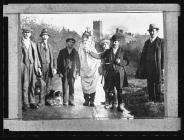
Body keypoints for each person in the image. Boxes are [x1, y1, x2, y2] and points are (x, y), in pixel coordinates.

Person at [84, 34, 129, 112]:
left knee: (119, 90)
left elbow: (127, 61)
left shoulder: (122, 51)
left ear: (118, 42)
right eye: (113, 42)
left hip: (119, 73)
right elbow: (99, 56)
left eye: (115, 42)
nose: (114, 43)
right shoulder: (108, 51)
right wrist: (89, 52)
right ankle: (111, 103)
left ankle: (120, 105)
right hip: (110, 73)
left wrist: (121, 62)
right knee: (110, 90)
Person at [136, 24, 165, 103]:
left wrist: (163, 67)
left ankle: (159, 100)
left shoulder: (161, 41)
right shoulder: (147, 43)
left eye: (153, 31)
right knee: (150, 83)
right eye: (150, 31)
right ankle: (151, 99)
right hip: (148, 66)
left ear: (156, 31)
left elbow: (163, 55)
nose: (152, 33)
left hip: (157, 66)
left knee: (158, 82)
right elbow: (143, 55)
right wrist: (142, 66)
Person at [21, 27, 42, 111]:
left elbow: (36, 56)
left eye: (28, 32)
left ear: (30, 34)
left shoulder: (33, 43)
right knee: (25, 86)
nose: (26, 34)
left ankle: (32, 101)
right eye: (25, 32)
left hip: (33, 66)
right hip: (23, 66)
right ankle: (25, 103)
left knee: (32, 85)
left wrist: (38, 68)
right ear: (22, 33)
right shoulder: (19, 43)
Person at [78, 30, 101, 107]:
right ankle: (86, 100)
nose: (85, 41)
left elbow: (97, 57)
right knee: (84, 85)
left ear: (89, 39)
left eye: (86, 39)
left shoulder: (92, 47)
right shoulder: (80, 47)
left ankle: (92, 101)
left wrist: (89, 52)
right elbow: (78, 58)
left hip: (93, 69)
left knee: (93, 85)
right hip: (84, 69)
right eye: (83, 39)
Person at [57, 38, 80, 106]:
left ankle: (71, 101)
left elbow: (78, 62)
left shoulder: (75, 52)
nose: (71, 43)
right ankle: (65, 101)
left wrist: (77, 72)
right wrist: (59, 72)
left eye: (73, 42)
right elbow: (58, 62)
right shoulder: (62, 51)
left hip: (72, 72)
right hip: (64, 72)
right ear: (66, 43)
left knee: (72, 87)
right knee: (64, 86)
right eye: (69, 42)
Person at [37, 28, 57, 106]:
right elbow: (36, 57)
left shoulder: (50, 46)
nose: (45, 37)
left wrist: (54, 68)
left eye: (46, 35)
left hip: (49, 67)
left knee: (48, 84)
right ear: (41, 36)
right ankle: (41, 101)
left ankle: (47, 100)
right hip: (41, 67)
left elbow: (53, 58)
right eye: (43, 35)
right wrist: (38, 67)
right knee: (42, 84)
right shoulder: (38, 45)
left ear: (48, 37)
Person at [99, 39, 117, 109]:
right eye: (103, 45)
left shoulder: (111, 52)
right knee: (105, 86)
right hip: (105, 71)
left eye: (105, 44)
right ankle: (108, 100)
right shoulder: (104, 52)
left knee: (111, 87)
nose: (104, 46)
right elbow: (102, 62)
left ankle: (114, 102)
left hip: (110, 71)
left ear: (108, 45)